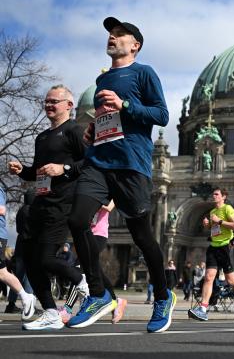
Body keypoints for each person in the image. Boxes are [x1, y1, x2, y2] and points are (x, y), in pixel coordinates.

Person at [66, 17, 175, 333]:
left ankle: (163, 296)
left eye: (119, 34)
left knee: (142, 236)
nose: (112, 38)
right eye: (110, 34)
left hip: (131, 164)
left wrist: (125, 103)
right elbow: (108, 119)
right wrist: (93, 130)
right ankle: (99, 294)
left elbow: (162, 115)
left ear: (134, 44)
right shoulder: (102, 81)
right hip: (99, 161)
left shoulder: (144, 73)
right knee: (76, 220)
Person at [8, 84, 90, 330]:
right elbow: (38, 172)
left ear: (69, 105)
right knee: (30, 261)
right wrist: (23, 170)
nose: (49, 105)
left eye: (54, 101)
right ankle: (51, 312)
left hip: (63, 203)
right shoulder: (41, 137)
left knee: (45, 259)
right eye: (46, 101)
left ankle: (80, 279)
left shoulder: (75, 130)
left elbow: (90, 161)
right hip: (42, 202)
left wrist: (63, 169)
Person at [59, 201, 127, 324]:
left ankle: (67, 309)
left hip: (99, 234)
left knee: (79, 267)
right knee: (96, 270)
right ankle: (116, 301)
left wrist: (88, 199)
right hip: (84, 232)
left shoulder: (107, 190)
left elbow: (109, 207)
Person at [188, 187, 234, 321]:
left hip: (225, 247)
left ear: (223, 197)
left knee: (230, 280)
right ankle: (203, 309)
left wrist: (219, 221)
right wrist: (207, 225)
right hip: (213, 246)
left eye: (217, 194)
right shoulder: (212, 211)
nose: (214, 196)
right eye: (213, 194)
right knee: (208, 277)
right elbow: (214, 229)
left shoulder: (227, 208)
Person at [0, 187, 37, 323]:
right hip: (30, 243)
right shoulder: (33, 210)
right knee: (28, 274)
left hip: (20, 242)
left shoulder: (21, 210)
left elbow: (15, 227)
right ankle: (28, 297)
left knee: (17, 274)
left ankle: (13, 303)